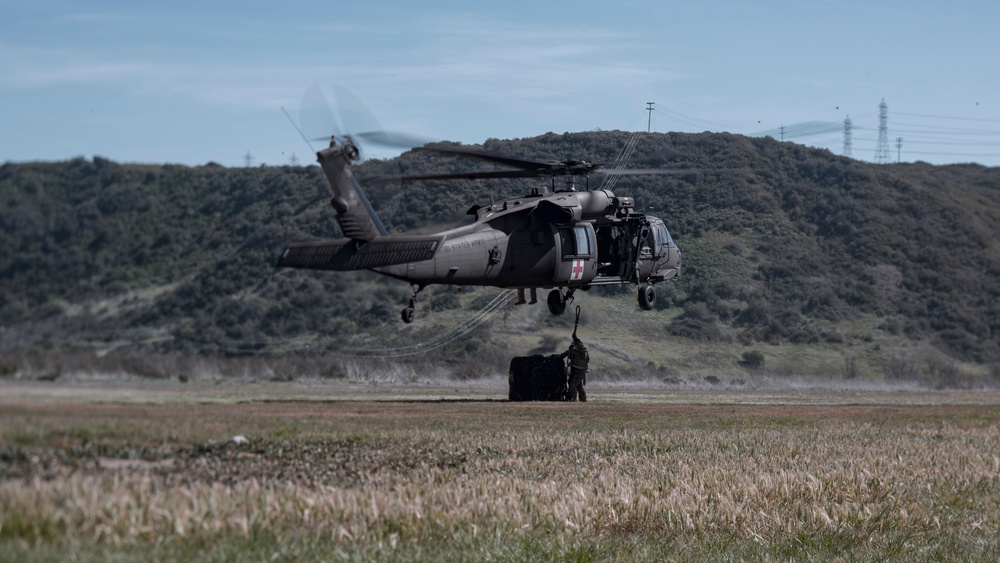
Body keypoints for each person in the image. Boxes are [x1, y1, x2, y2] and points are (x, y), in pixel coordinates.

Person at [561, 336, 588, 402]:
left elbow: (562, 356)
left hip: (577, 372)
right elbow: (562, 356)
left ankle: (572, 399)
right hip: (577, 372)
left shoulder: (576, 352)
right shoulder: (583, 353)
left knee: (572, 386)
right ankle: (583, 399)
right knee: (579, 386)